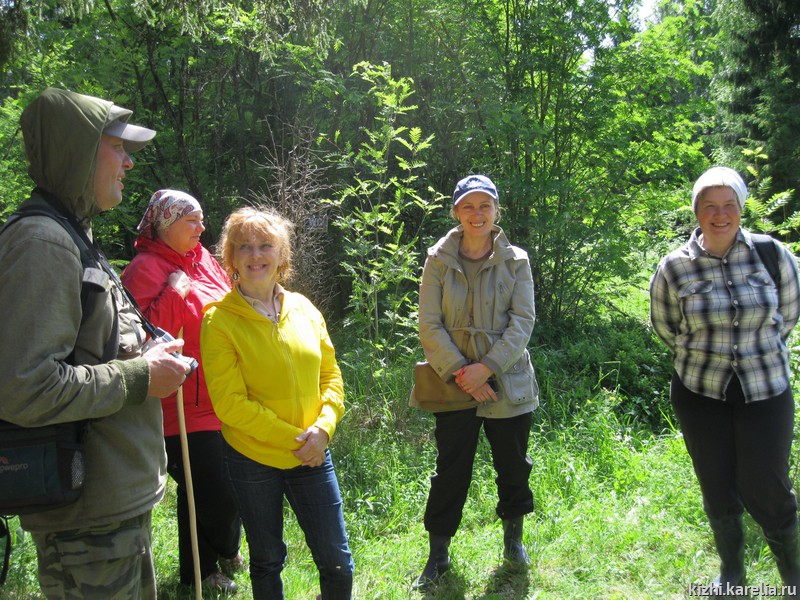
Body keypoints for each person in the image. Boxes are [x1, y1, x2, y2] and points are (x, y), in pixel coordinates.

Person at [0, 87, 192, 598]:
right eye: (117, 146)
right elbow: (25, 387)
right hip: (88, 527)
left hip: (109, 516)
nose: (129, 162)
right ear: (78, 151)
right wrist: (142, 375)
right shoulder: (42, 243)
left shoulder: (70, 233)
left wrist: (146, 356)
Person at [650, 166, 800, 592]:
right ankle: (732, 573)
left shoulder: (772, 254)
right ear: (696, 211)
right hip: (700, 392)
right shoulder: (674, 266)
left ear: (741, 208)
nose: (720, 215)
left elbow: (789, 314)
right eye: (710, 206)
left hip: (765, 388)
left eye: (728, 205)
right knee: (715, 483)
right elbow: (665, 325)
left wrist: (755, 350)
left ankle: (792, 576)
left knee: (768, 484)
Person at [200, 206, 354, 600]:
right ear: (231, 258)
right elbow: (230, 404)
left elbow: (331, 377)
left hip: (313, 454)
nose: (256, 255)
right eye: (244, 247)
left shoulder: (304, 309)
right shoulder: (219, 321)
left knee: (337, 561)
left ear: (282, 255)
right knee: (267, 560)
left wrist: (323, 429)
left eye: (266, 245)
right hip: (253, 459)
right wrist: (299, 440)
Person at [410, 174, 539, 590]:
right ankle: (438, 555)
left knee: (513, 466)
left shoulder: (516, 260)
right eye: (468, 206)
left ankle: (513, 543)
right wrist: (463, 372)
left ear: (497, 210)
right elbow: (429, 323)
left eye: (485, 205)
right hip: (453, 381)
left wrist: (488, 368)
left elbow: (523, 322)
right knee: (450, 471)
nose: (477, 214)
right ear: (456, 212)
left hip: (507, 380)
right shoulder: (437, 259)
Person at [121, 189, 244, 593]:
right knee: (212, 491)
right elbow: (137, 340)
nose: (202, 228)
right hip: (180, 405)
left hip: (224, 394)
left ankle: (205, 566)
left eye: (202, 219)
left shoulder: (204, 259)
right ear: (166, 223)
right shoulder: (143, 270)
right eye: (192, 220)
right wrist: (174, 292)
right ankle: (217, 556)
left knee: (214, 488)